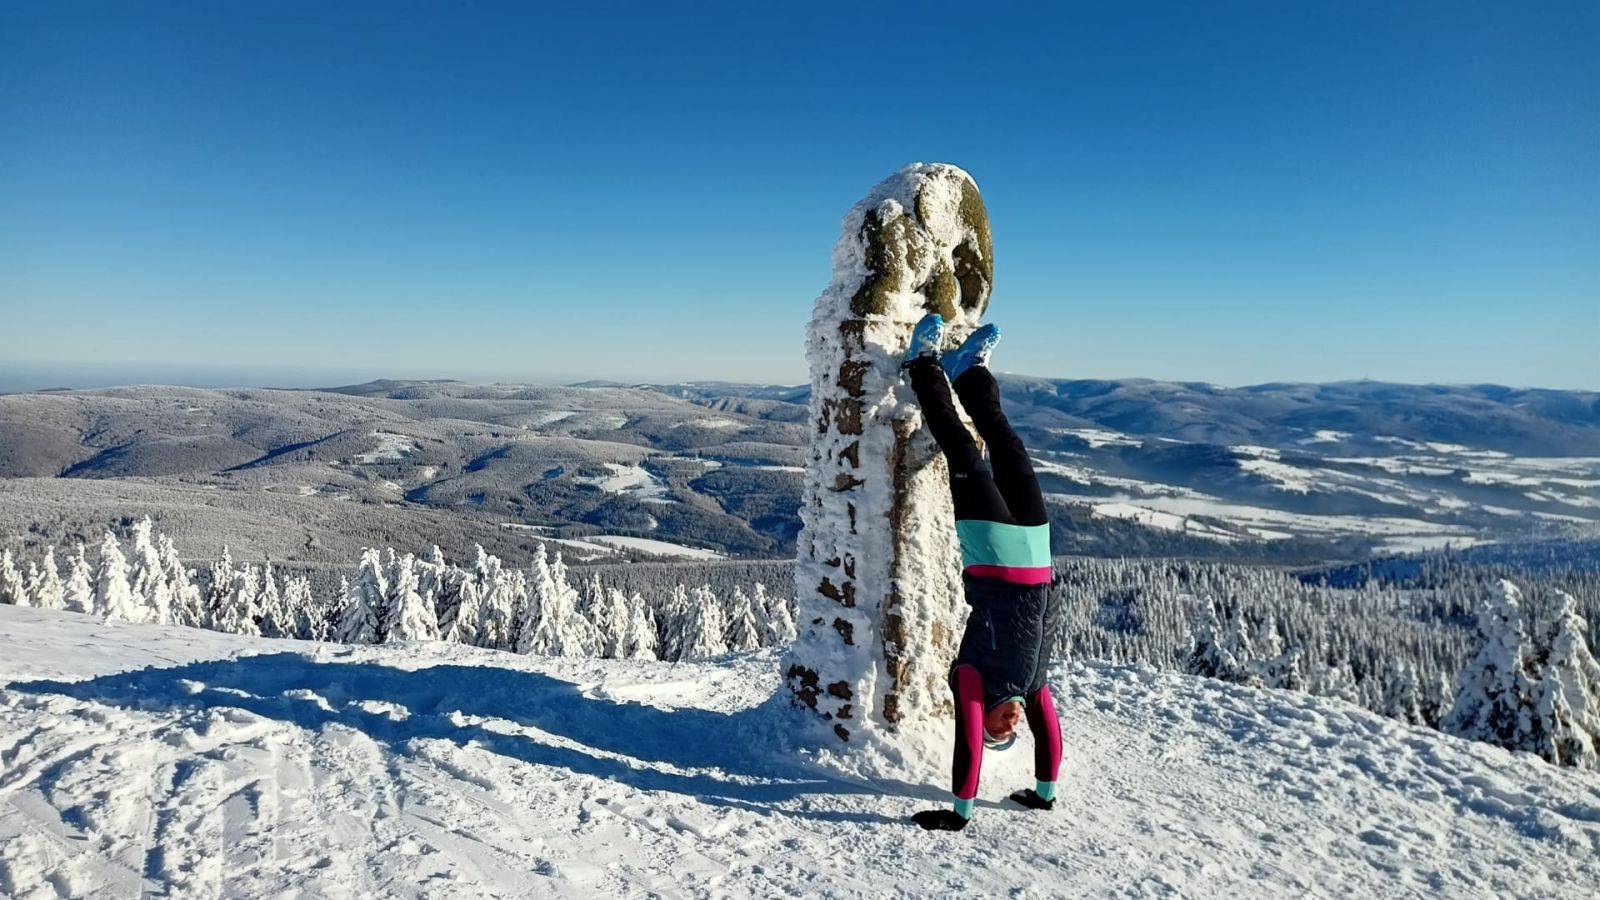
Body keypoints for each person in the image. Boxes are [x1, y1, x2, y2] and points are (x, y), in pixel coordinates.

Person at [902, 313, 1063, 833]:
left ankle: (923, 366)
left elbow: (969, 741)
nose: (1010, 724)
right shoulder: (1033, 687)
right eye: (1014, 730)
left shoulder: (972, 678)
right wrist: (1044, 793)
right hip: (1037, 552)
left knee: (964, 450)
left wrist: (961, 812)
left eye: (1001, 731)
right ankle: (969, 372)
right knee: (1010, 447)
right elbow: (1050, 735)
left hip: (991, 550)